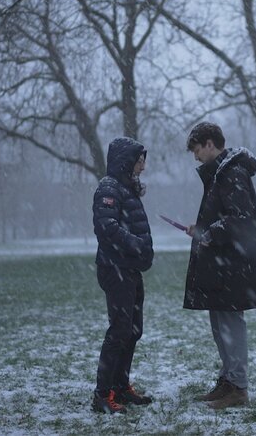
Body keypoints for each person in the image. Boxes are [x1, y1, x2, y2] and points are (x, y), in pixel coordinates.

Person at [183, 121, 256, 410]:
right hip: (223, 264)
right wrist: (203, 228)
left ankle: (238, 387)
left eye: (196, 149)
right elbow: (226, 217)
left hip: (233, 265)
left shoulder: (231, 173)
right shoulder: (220, 173)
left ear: (209, 143)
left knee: (231, 325)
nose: (195, 156)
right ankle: (227, 381)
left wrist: (211, 232)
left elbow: (239, 218)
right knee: (220, 325)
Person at [90, 137, 154, 414]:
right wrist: (136, 244)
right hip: (115, 269)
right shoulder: (109, 188)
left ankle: (120, 386)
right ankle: (102, 394)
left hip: (129, 269)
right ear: (126, 160)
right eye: (140, 159)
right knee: (119, 331)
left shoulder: (126, 188)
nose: (143, 165)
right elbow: (106, 226)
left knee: (133, 330)